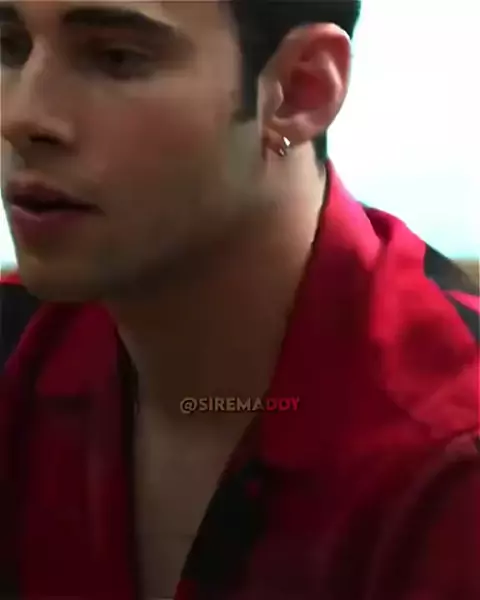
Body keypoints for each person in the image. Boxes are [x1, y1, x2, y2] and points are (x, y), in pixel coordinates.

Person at [0, 1, 478, 599]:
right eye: (10, 46)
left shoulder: (451, 456)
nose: (21, 117)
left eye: (115, 58)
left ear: (299, 90)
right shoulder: (19, 349)